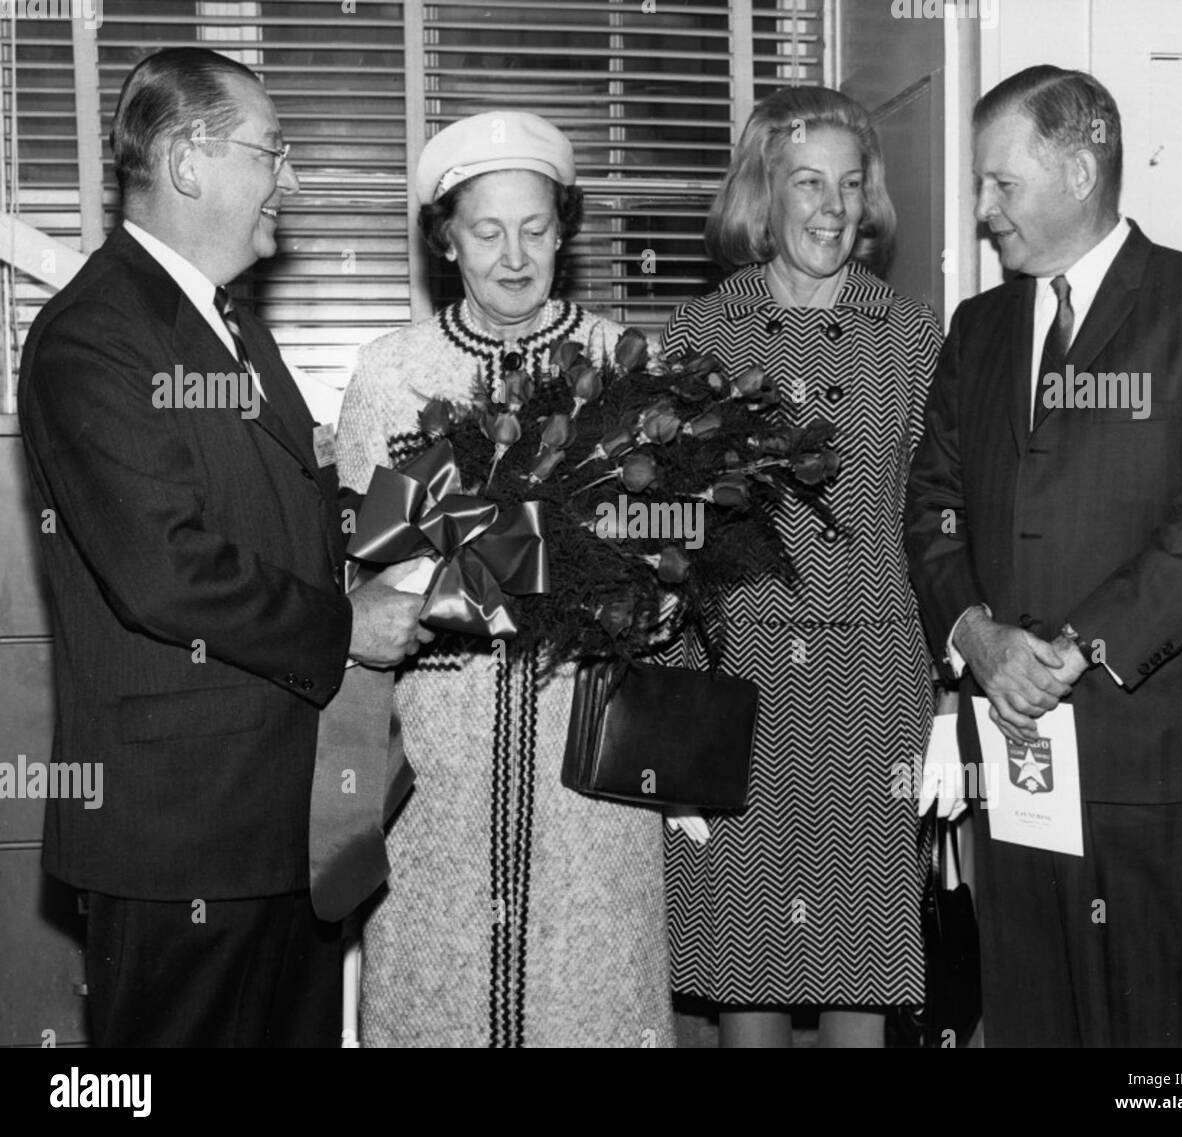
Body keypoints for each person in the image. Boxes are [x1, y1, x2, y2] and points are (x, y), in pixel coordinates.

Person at [18, 48, 428, 1047]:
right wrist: (348, 626)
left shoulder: (228, 328)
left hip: (279, 821)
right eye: (270, 151)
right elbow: (165, 568)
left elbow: (285, 513)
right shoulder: (97, 335)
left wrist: (455, 520)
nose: (288, 181)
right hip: (181, 835)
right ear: (187, 161)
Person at [905, 65, 1182, 1047]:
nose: (983, 211)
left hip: (1143, 749)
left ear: (1079, 167)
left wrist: (1074, 647)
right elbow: (932, 505)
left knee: (1144, 1031)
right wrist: (974, 635)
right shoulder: (978, 329)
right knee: (1028, 1018)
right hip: (1012, 754)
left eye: (1001, 183)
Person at [335, 111, 676, 1048]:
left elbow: (679, 569)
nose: (514, 256)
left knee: (590, 1005)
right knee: (437, 1005)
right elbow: (365, 568)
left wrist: (634, 586)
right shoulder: (392, 374)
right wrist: (533, 552)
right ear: (448, 240)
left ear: (564, 230)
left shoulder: (626, 365)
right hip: (442, 758)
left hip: (587, 763)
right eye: (486, 231)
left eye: (535, 228)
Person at [660, 86, 942, 1048]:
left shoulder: (909, 334)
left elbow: (936, 522)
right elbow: (673, 534)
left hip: (871, 678)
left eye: (849, 185)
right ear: (761, 195)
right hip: (735, 675)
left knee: (863, 958)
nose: (830, 207)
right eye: (806, 182)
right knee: (748, 964)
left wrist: (945, 694)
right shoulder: (697, 336)